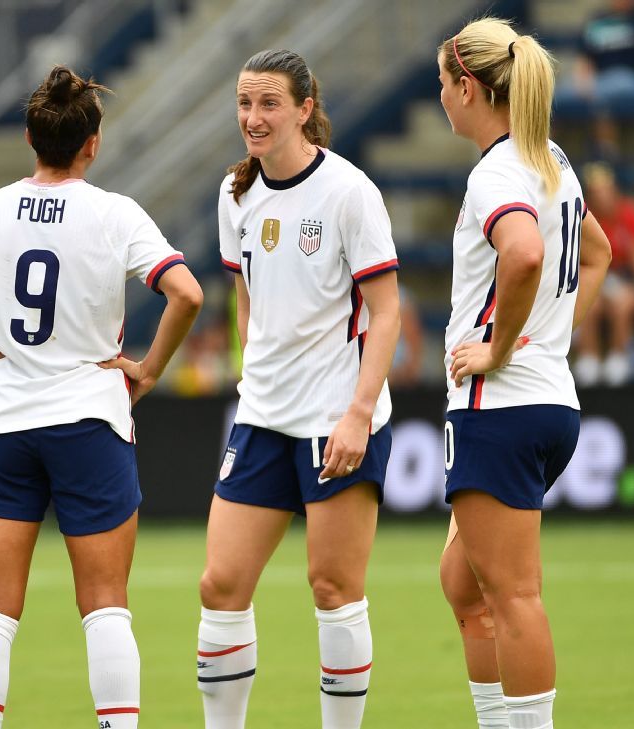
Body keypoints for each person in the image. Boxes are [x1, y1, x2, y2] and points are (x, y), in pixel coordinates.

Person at [0, 65, 202, 729]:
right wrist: (149, 369)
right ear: (93, 143)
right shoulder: (115, 214)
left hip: (5, 423)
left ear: (29, 137)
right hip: (89, 418)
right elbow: (187, 293)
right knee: (106, 601)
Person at [198, 49, 400, 729]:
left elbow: (388, 311)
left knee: (333, 588)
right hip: (262, 417)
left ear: (305, 108)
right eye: (244, 104)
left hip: (335, 418)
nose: (252, 118)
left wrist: (358, 415)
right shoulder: (236, 194)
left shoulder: (349, 192)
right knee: (220, 585)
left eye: (269, 104)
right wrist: (250, 368)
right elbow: (245, 298)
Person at [436, 18, 612, 729]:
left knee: (513, 596)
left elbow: (525, 254)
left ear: (469, 87)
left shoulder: (498, 172)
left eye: (444, 84)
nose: (441, 97)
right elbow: (595, 254)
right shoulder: (552, 161)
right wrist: (551, 338)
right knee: (464, 585)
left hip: (500, 403)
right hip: (546, 401)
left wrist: (503, 347)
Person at [573, 162, 634, 386]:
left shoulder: (629, 213)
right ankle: (588, 359)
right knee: (590, 304)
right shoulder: (583, 217)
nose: (601, 197)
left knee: (622, 302)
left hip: (624, 280)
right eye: (596, 191)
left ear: (614, 190)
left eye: (605, 190)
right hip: (595, 280)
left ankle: (619, 358)